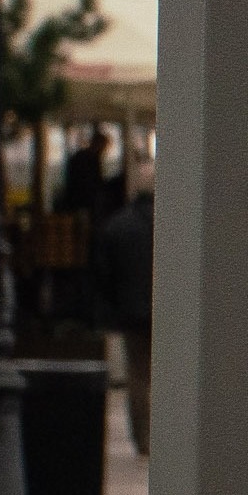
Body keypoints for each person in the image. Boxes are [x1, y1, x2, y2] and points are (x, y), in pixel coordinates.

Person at [99, 161, 156, 459]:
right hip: (165, 312)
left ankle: (143, 438)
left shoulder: (119, 224)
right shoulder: (173, 224)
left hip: (132, 312)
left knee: (139, 375)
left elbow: (104, 273)